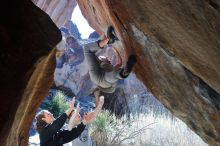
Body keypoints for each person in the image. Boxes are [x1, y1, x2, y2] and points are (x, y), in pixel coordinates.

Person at [83, 26, 137, 93]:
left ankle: (124, 73)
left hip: (106, 83)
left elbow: (119, 63)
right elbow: (119, 63)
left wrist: (115, 51)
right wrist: (115, 50)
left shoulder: (109, 67)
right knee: (87, 48)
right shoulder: (105, 65)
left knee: (114, 76)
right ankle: (108, 40)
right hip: (100, 80)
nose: (109, 60)